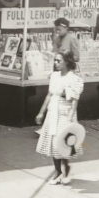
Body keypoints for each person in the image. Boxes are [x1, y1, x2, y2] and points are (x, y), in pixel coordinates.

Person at [35, 52, 85, 184]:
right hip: (53, 111)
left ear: (67, 62)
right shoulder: (54, 76)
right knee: (52, 142)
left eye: (59, 61)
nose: (55, 63)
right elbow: (49, 95)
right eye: (55, 61)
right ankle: (57, 172)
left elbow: (74, 101)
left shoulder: (74, 79)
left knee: (62, 142)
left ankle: (66, 168)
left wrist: (70, 118)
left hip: (65, 112)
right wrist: (41, 112)